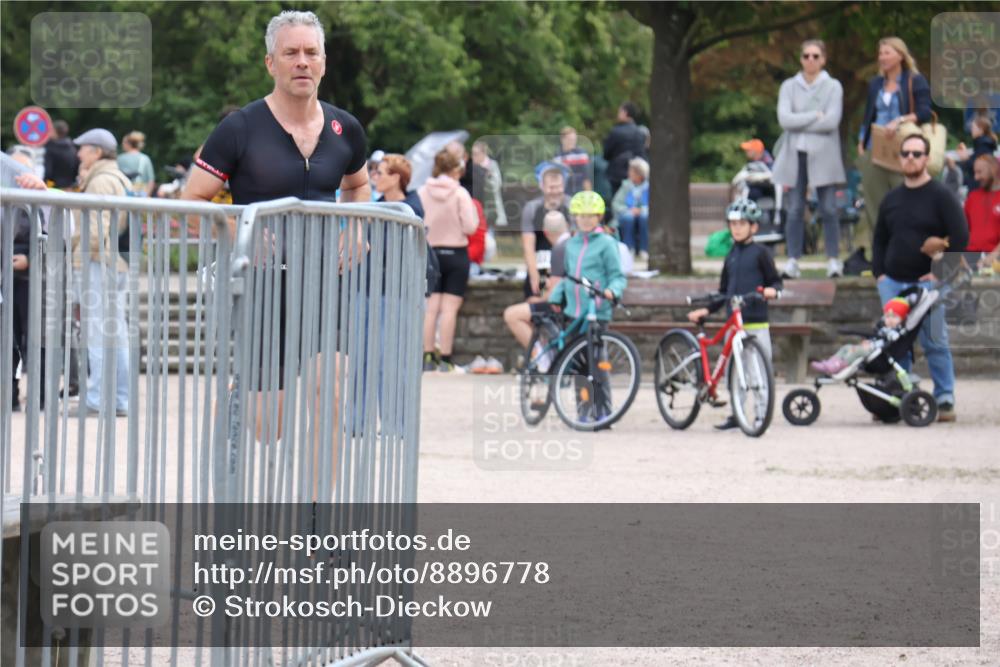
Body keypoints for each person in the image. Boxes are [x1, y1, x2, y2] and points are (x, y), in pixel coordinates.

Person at [181, 10, 370, 490]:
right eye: (291, 53)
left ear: (324, 63)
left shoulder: (346, 129)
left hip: (326, 281)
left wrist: (357, 224)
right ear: (271, 63)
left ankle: (319, 522)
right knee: (270, 426)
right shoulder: (240, 128)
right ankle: (238, 396)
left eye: (311, 53)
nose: (302, 62)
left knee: (330, 393)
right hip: (265, 285)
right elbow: (192, 201)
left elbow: (359, 185)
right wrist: (235, 223)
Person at [873, 134, 969, 422]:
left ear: (927, 159)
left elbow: (962, 236)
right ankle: (902, 396)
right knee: (894, 343)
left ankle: (944, 398)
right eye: (906, 153)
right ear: (900, 158)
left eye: (917, 153)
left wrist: (940, 272)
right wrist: (880, 274)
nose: (911, 158)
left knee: (934, 340)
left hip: (929, 283)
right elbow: (880, 240)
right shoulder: (891, 199)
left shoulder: (941, 195)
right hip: (893, 281)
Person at [686, 198, 782, 430]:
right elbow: (723, 292)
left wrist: (772, 291)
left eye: (742, 223)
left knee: (759, 372)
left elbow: (776, 282)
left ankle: (761, 414)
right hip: (734, 324)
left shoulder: (761, 253)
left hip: (756, 323)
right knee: (735, 372)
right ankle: (737, 413)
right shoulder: (731, 255)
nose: (737, 228)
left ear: (754, 227)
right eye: (733, 224)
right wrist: (707, 309)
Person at [772, 39, 847, 279]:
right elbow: (784, 120)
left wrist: (799, 120)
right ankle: (793, 260)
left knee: (828, 208)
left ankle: (833, 260)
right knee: (794, 209)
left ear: (823, 59)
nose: (810, 60)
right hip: (794, 154)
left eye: (815, 56)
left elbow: (832, 121)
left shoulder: (833, 86)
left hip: (824, 155)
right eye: (806, 56)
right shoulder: (789, 86)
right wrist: (814, 115)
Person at [856, 37, 933, 243]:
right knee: (875, 204)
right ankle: (882, 249)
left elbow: (925, 112)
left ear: (900, 55)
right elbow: (868, 115)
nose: (882, 57)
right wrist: (861, 142)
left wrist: (900, 120)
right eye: (880, 53)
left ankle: (909, 245)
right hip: (875, 148)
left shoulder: (915, 80)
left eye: (887, 53)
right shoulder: (875, 84)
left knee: (906, 199)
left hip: (904, 149)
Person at [418, 148, 479, 372]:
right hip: (456, 253)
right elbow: (471, 226)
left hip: (431, 253)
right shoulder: (460, 193)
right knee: (449, 309)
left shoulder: (423, 191)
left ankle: (426, 356)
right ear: (456, 169)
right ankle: (445, 358)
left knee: (430, 308)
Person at [503, 210, 571, 370]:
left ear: (545, 232)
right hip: (574, 304)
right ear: (567, 226)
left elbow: (555, 293)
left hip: (561, 307)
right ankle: (545, 355)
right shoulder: (572, 244)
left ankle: (542, 357)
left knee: (512, 315)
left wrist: (538, 299)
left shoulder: (559, 250)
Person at [810, 297, 909, 375]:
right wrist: (869, 342)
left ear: (902, 319)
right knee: (846, 347)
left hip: (878, 354)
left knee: (855, 351)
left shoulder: (895, 332)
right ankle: (830, 363)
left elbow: (887, 342)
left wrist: (871, 345)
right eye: (888, 316)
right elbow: (877, 337)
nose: (890, 320)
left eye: (895, 317)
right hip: (871, 348)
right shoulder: (883, 328)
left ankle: (838, 366)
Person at [521, 165, 572, 299]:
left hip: (565, 266)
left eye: (558, 186)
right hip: (541, 264)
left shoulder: (570, 206)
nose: (554, 191)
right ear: (542, 186)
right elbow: (528, 246)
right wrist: (534, 276)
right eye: (551, 187)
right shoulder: (532, 209)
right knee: (535, 303)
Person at [963, 155, 1000, 270]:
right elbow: (961, 230)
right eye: (975, 172)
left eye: (980, 172)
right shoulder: (972, 197)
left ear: (993, 169)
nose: (976, 177)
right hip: (970, 259)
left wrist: (993, 256)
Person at [603, 102, 646, 198]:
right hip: (635, 176)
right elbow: (641, 156)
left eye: (620, 112)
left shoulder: (615, 132)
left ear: (625, 113)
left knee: (617, 200)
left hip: (616, 176)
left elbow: (606, 154)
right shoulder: (639, 133)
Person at [611, 157, 650, 260]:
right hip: (627, 213)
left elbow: (654, 206)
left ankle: (644, 250)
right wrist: (628, 210)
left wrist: (642, 210)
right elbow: (616, 203)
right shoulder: (626, 186)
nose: (629, 173)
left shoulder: (648, 186)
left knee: (644, 217)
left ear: (639, 174)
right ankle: (629, 249)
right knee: (628, 218)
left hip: (644, 213)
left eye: (631, 171)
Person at [470, 140, 507, 228]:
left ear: (483, 153)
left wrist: (485, 176)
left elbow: (497, 184)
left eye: (476, 154)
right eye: (472, 154)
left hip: (490, 205)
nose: (473, 157)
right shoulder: (471, 167)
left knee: (489, 232)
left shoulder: (492, 165)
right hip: (475, 204)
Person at [957, 115, 999, 192]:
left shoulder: (984, 146)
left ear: (981, 129)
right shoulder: (983, 145)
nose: (971, 130)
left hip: (979, 189)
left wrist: (965, 158)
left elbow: (976, 169)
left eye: (973, 127)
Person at [554, 126, 592, 195]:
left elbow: (586, 177)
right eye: (570, 140)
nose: (573, 142)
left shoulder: (581, 154)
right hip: (563, 191)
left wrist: (588, 195)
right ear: (562, 139)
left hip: (579, 190)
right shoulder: (557, 155)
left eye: (574, 140)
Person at [117, 131, 156, 196]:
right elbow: (151, 181)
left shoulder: (120, 158)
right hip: (141, 193)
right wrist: (146, 196)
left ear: (128, 144)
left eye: (123, 142)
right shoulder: (145, 158)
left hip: (124, 193)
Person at [43, 120, 80, 188]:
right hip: (70, 189)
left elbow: (48, 173)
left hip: (55, 188)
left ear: (54, 131)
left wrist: (46, 187)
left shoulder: (51, 148)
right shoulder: (73, 148)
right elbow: (77, 170)